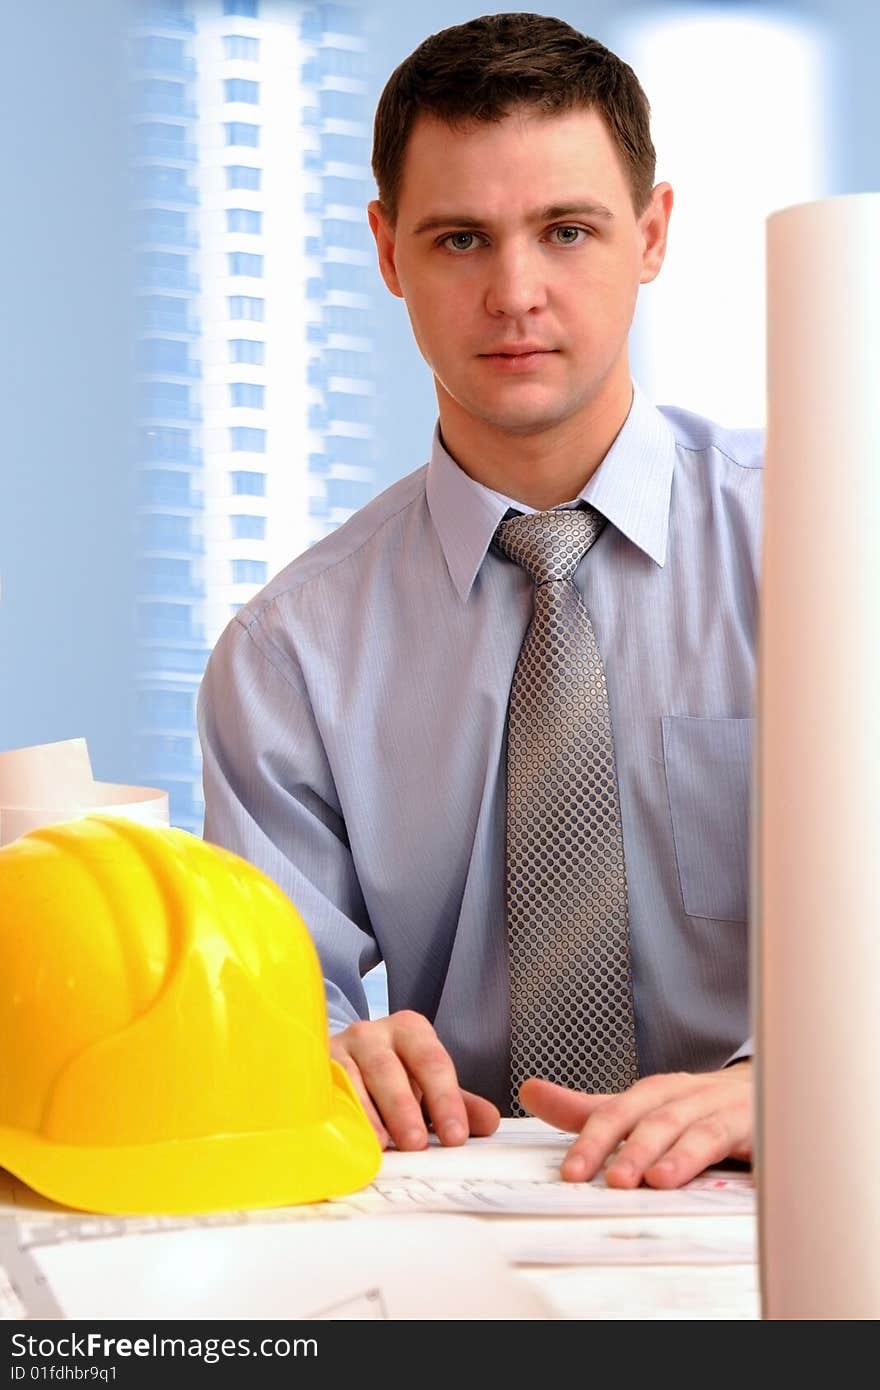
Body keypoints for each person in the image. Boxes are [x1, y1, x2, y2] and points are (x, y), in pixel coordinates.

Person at [198, 12, 759, 1190]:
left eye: (566, 230)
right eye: (459, 239)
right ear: (388, 252)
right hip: (446, 1211)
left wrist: (803, 1081)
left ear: (652, 236)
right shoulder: (287, 654)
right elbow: (272, 1005)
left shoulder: (826, 552)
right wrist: (320, 1051)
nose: (515, 292)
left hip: (791, 1193)